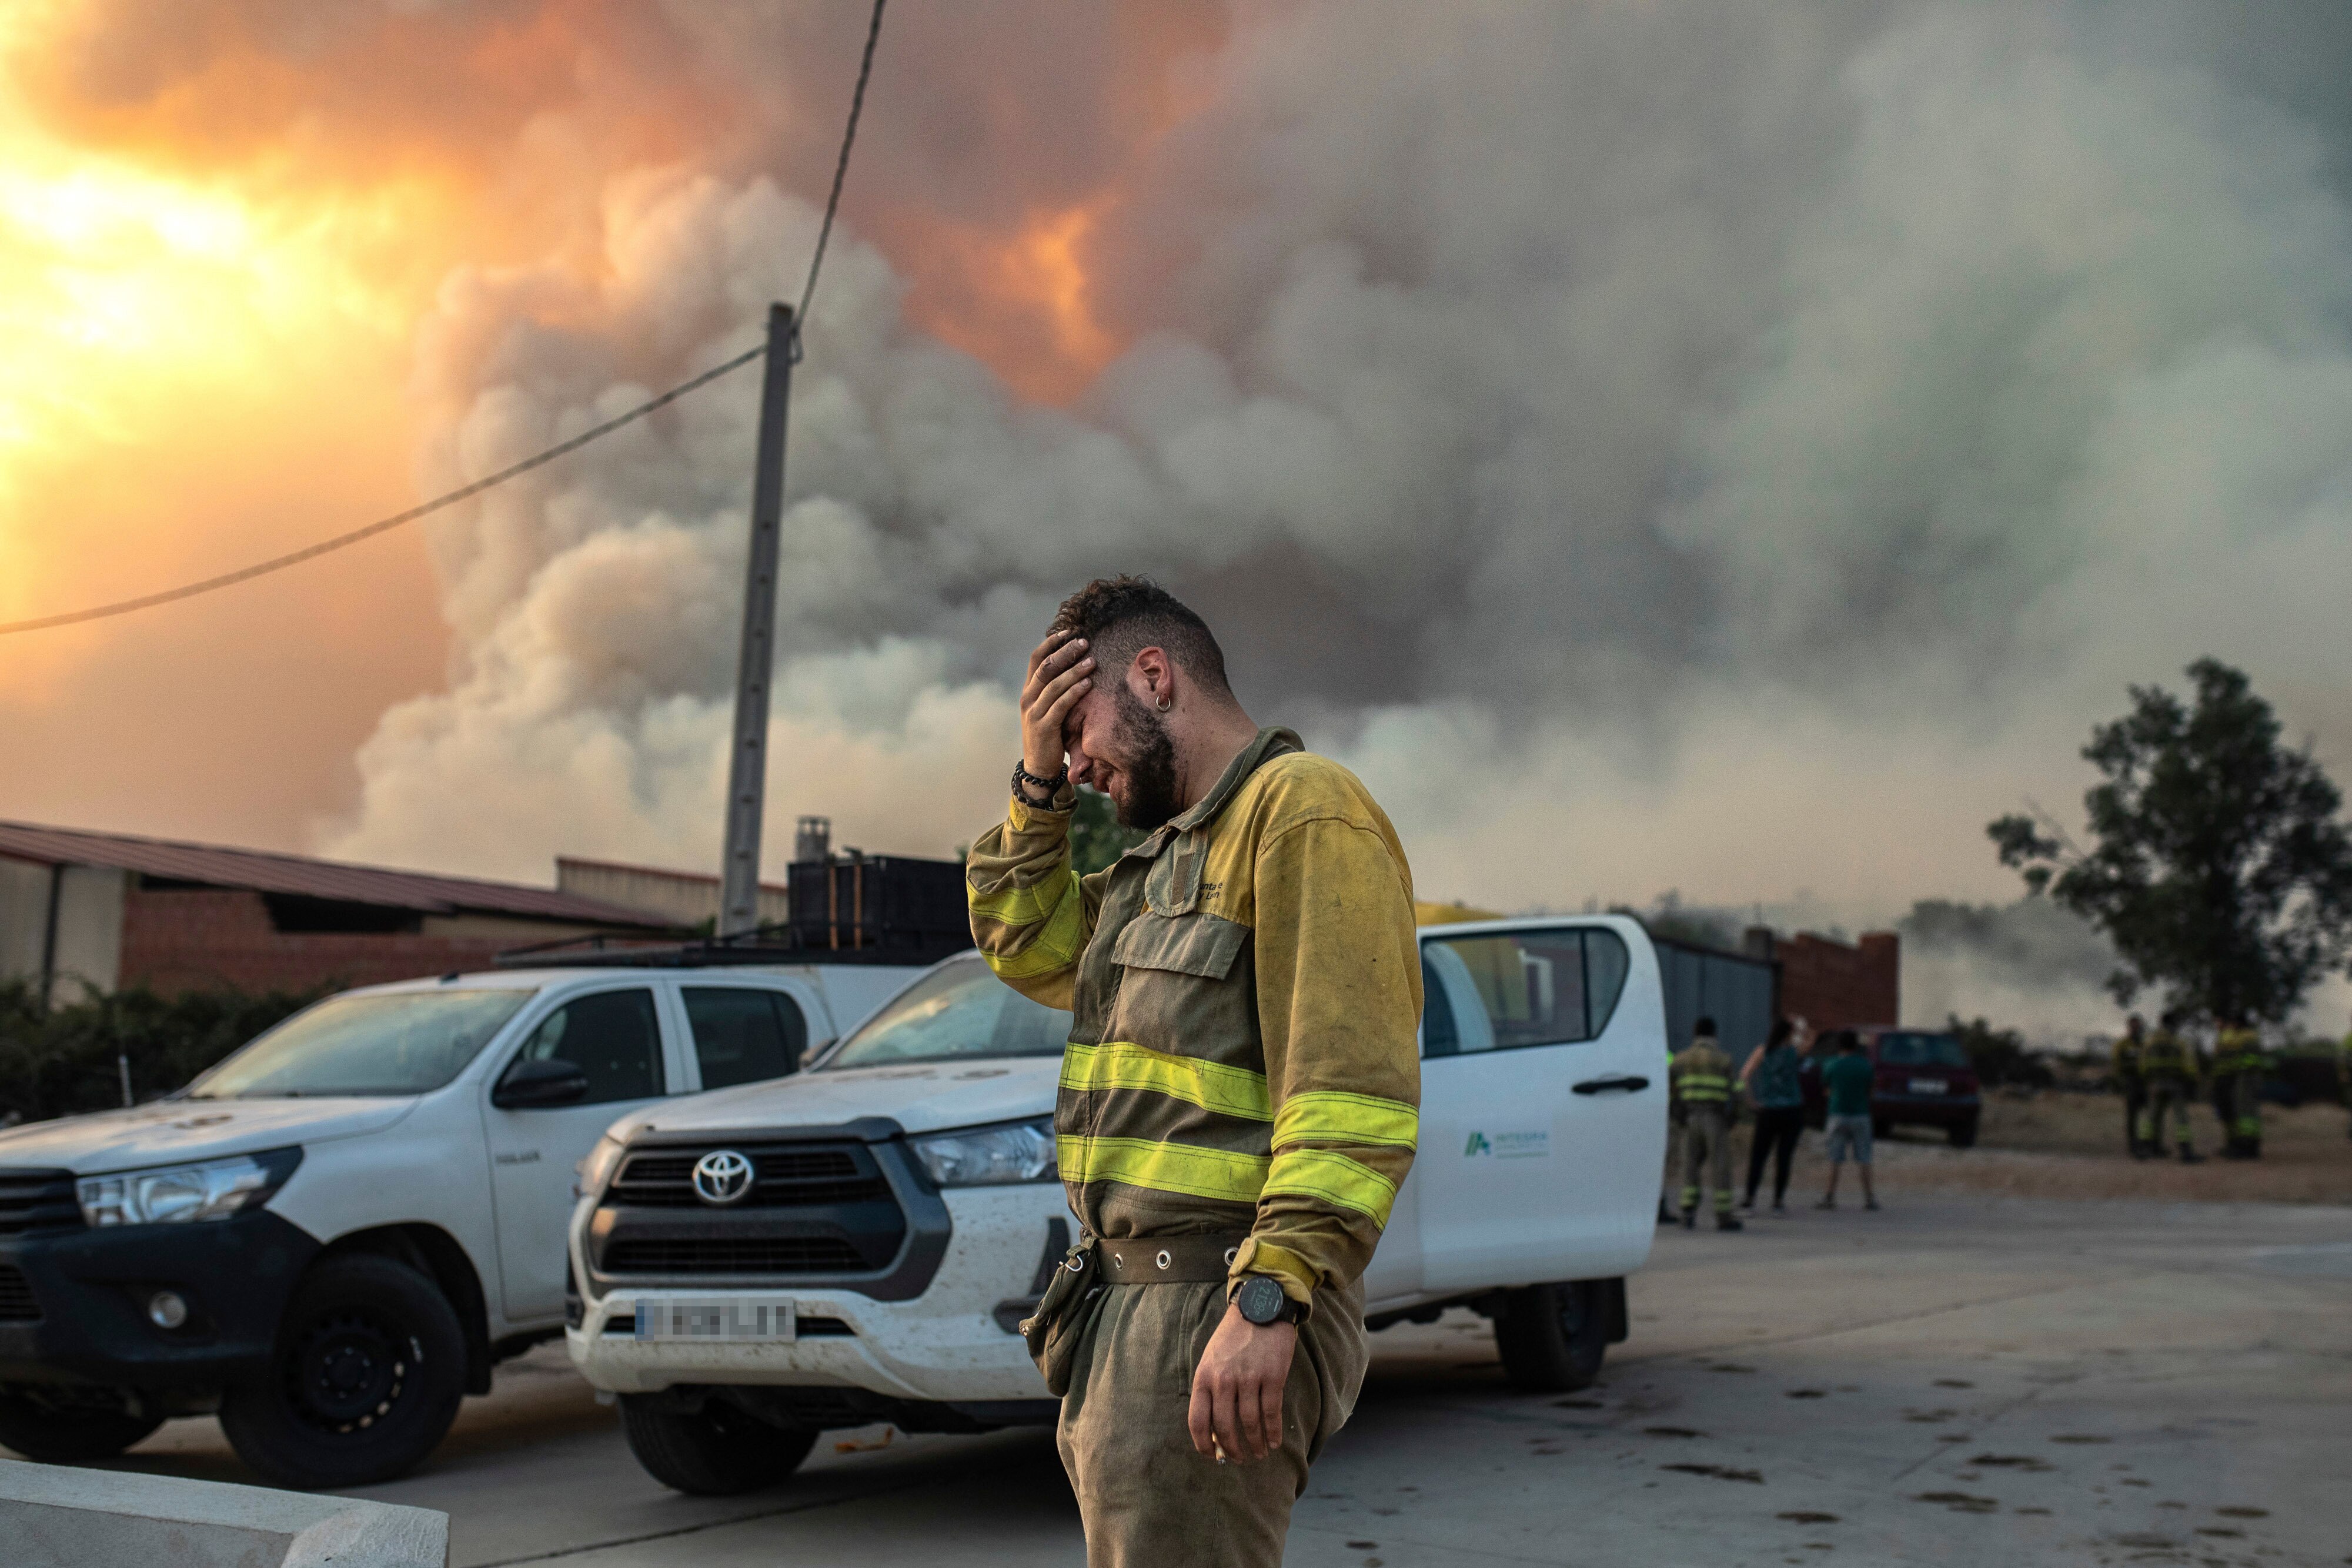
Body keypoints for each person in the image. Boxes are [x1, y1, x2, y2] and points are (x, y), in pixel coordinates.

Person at [965, 576, 1421, 1568]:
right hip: (1129, 1316)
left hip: (1215, 1305)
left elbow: (1350, 1099)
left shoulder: (1303, 812)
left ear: (1156, 678)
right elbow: (1024, 941)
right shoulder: (1164, 860)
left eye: (1076, 728)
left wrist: (1271, 1298)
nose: (1079, 763)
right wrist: (1035, 784)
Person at [1668, 1016, 1742, 1232]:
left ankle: (1688, 1213)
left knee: (1689, 1165)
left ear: (1695, 1034)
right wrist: (1734, 1116)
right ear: (1714, 1034)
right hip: (1715, 1118)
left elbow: (1668, 1087)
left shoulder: (1680, 1060)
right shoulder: (1724, 1060)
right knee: (1720, 1166)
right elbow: (1737, 1091)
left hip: (1689, 1118)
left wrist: (1677, 1111)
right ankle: (1723, 1217)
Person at [1739, 1017, 1808, 1212]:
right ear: (1789, 1034)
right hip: (1792, 1111)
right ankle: (1778, 1200)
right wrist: (1802, 1029)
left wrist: (1751, 1102)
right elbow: (1812, 1040)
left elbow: (1744, 1076)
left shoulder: (1762, 1052)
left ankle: (1750, 1197)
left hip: (1768, 1111)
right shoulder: (1794, 1052)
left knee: (1759, 1156)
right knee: (1784, 1157)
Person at [1816, 1031, 1879, 1211]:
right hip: (1860, 1114)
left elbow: (1826, 1090)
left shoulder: (1831, 1065)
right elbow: (1871, 1091)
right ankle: (1869, 1198)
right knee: (1864, 1158)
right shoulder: (1866, 1066)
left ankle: (1829, 1196)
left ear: (1840, 1045)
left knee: (1834, 1158)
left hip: (1837, 1114)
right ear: (1856, 1045)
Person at [2140, 1010, 2204, 1164]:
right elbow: (2189, 1064)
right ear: (2175, 1024)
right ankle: (2186, 1151)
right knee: (2181, 1118)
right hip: (2176, 1084)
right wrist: (2192, 1079)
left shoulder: (2151, 1040)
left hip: (2155, 1083)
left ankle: (2145, 1148)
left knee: (2152, 1116)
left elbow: (2142, 1062)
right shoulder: (2178, 1041)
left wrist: (2147, 1079)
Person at [2212, 1013, 2266, 1160]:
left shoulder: (2245, 1037)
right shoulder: (2246, 1036)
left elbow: (2248, 1059)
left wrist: (2235, 1068)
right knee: (2245, 1113)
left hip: (2246, 1077)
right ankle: (2248, 1146)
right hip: (2244, 1077)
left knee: (2245, 1112)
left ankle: (2247, 1147)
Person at [2112, 1014, 2151, 1159]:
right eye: (2133, 1026)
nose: (2136, 1028)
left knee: (2147, 1115)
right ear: (2129, 1027)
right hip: (2131, 1082)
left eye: (2138, 1026)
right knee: (2132, 1116)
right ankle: (2133, 1145)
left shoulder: (2146, 1044)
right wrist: (2122, 1081)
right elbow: (2117, 1064)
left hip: (2145, 1083)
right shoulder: (2122, 1045)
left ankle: (2147, 1143)